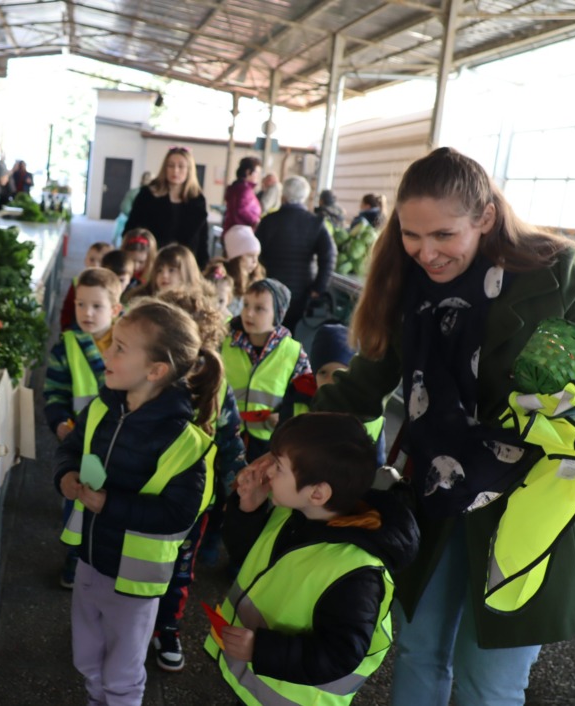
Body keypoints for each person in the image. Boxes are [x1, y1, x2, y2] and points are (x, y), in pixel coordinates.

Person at [310, 146, 575, 706]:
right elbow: (364, 385)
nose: (425, 253)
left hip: (528, 506)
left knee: (490, 682)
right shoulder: (407, 286)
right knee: (418, 650)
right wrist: (284, 445)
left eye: (443, 235)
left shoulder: (560, 273)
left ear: (484, 217)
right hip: (435, 493)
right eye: (412, 235)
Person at [55, 298, 222, 706]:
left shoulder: (187, 441)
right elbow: (70, 451)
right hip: (90, 562)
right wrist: (66, 477)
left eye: (119, 348)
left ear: (156, 371)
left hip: (135, 581)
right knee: (87, 658)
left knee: (123, 673)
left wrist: (108, 504)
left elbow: (180, 515)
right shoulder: (101, 408)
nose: (105, 352)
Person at [207, 413, 419, 705]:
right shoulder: (294, 514)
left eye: (279, 467)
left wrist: (261, 650)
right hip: (248, 679)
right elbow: (249, 556)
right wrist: (249, 509)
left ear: (318, 493)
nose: (268, 471)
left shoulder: (357, 573)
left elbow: (340, 654)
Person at [148, 287, 246, 672]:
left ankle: (167, 627)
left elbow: (230, 439)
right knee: (135, 562)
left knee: (179, 571)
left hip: (192, 504)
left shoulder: (215, 385)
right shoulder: (148, 380)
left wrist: (236, 488)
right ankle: (128, 623)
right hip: (144, 494)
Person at [45, 267, 124, 589]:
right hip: (82, 444)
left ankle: (104, 558)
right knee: (77, 497)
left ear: (116, 310)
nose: (87, 313)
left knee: (111, 499)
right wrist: (60, 422)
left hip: (120, 442)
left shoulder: (130, 343)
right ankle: (76, 557)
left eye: (97, 306)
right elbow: (54, 393)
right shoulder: (66, 345)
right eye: (80, 304)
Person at [223, 279, 311, 462]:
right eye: (246, 305)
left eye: (259, 308)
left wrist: (286, 419)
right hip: (224, 431)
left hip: (267, 441)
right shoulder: (224, 341)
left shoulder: (293, 352)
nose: (248, 313)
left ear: (278, 314)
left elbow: (303, 396)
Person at [280, 323, 387, 464]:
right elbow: (278, 448)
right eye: (323, 373)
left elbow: (376, 467)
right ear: (314, 375)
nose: (331, 382)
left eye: (340, 374)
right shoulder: (297, 399)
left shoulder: (372, 418)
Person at [255, 175, 336, 333]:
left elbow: (256, 254)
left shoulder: (268, 221)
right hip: (301, 291)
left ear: (283, 196)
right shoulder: (316, 223)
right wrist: (318, 287)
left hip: (269, 288)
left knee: (267, 331)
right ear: (305, 197)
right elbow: (329, 256)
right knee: (290, 334)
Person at [124, 147, 211, 268]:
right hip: (150, 263)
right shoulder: (148, 194)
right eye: (170, 166)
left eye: (181, 166)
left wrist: (203, 267)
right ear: (164, 168)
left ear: (189, 170)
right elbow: (131, 229)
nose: (175, 171)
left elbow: (202, 239)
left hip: (184, 265)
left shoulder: (197, 200)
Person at [124, 244, 205, 302]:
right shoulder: (141, 302)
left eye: (171, 270)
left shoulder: (198, 305)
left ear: (187, 272)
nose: (164, 275)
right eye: (159, 270)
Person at [60, 242, 113, 331]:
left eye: (101, 261)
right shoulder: (76, 282)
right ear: (85, 260)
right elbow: (67, 308)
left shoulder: (112, 285)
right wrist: (65, 327)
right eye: (92, 260)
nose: (96, 265)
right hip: (77, 329)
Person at [221, 224, 264, 317]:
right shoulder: (221, 282)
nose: (255, 261)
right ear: (236, 258)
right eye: (250, 255)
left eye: (257, 256)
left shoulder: (255, 281)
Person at [222, 157, 262, 232]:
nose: (258, 176)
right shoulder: (244, 189)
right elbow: (241, 210)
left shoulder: (237, 187)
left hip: (235, 230)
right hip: (241, 230)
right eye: (257, 172)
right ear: (248, 172)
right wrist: (256, 221)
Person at [113, 171, 153, 245]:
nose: (148, 181)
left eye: (149, 179)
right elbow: (125, 208)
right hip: (131, 221)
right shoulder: (134, 192)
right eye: (146, 179)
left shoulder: (156, 195)